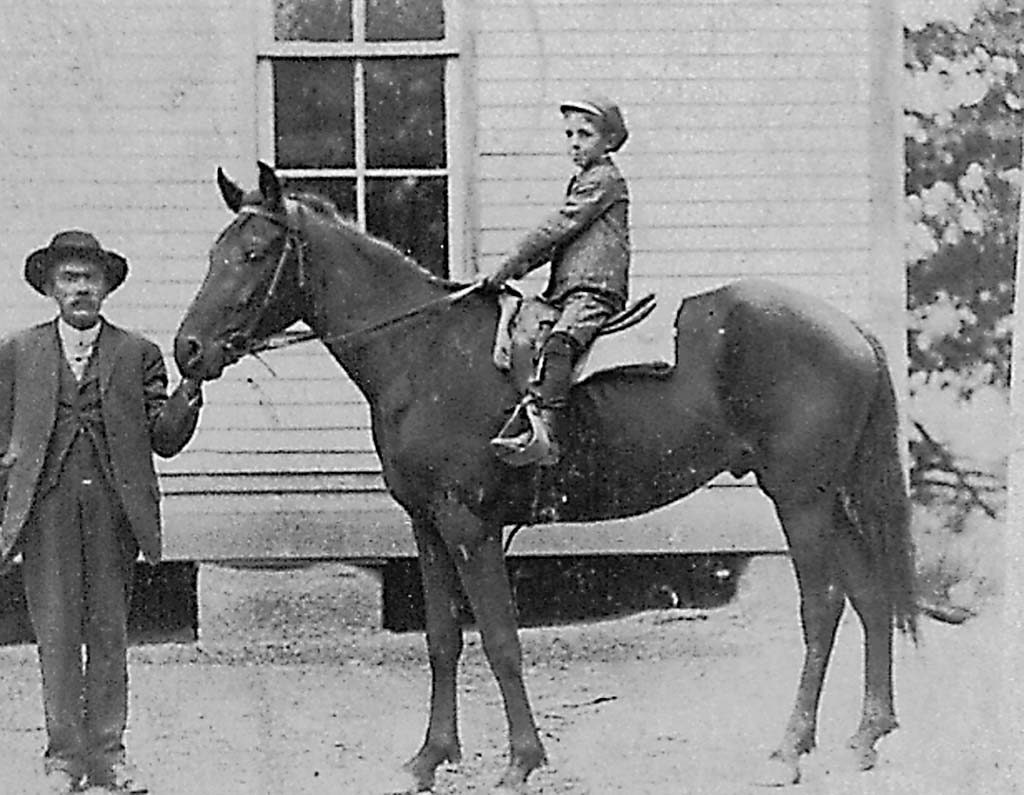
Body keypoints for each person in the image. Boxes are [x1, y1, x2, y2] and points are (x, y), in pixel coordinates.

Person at [0, 230, 204, 793]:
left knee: (109, 635)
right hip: (46, 514)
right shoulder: (17, 353)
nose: (81, 288)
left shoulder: (137, 353)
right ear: (50, 287)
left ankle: (109, 757)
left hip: (115, 514)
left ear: (107, 287)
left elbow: (164, 438)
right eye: (69, 278)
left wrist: (191, 391)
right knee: (57, 635)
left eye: (91, 278)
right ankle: (63, 759)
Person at [481, 94, 631, 464]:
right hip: (568, 291)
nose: (575, 143)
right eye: (569, 135)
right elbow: (556, 244)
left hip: (595, 291)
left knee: (560, 344)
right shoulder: (582, 181)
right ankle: (526, 415)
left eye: (586, 134)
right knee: (525, 335)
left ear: (610, 141)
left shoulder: (605, 179)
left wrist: (507, 263)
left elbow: (559, 226)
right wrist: (511, 273)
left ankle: (548, 433)